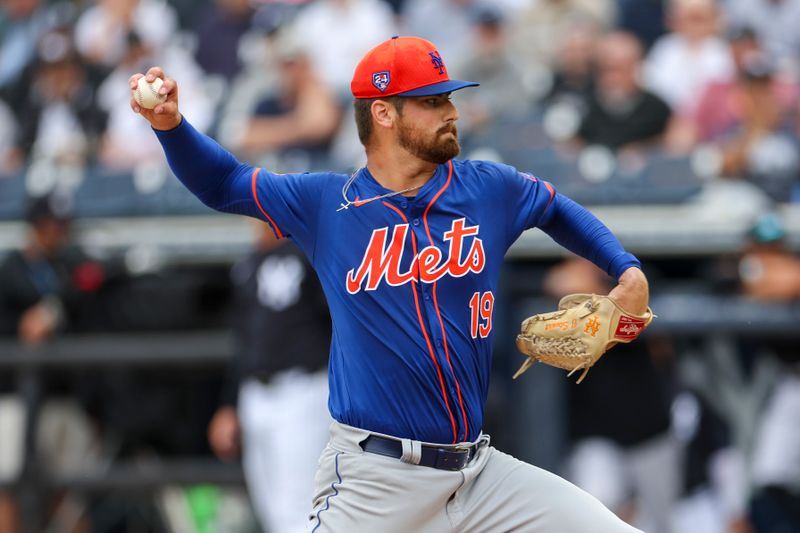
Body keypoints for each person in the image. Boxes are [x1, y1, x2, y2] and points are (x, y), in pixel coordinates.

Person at [130, 35, 650, 532]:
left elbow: (556, 208)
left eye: (447, 97)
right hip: (375, 480)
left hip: (479, 474)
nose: (450, 111)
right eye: (429, 100)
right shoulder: (326, 204)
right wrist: (172, 127)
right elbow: (224, 184)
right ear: (383, 112)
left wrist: (625, 269)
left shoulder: (488, 188)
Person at [207, 222, 332, 533]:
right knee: (269, 505)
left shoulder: (309, 257)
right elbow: (243, 343)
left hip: (302, 388)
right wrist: (228, 404)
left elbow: (337, 328)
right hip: (255, 393)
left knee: (299, 505)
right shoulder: (247, 265)